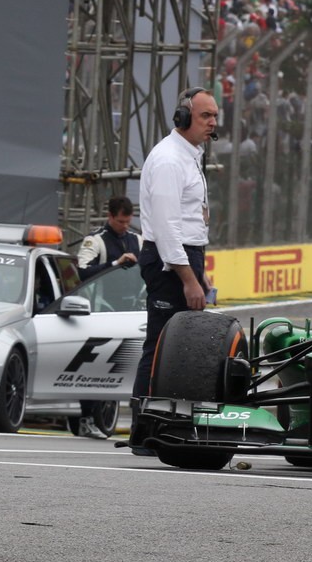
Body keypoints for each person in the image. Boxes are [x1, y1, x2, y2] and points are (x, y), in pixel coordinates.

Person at [132, 88, 219, 424]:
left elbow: (190, 220)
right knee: (161, 345)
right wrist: (188, 279)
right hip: (169, 263)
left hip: (185, 259)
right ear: (182, 117)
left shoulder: (190, 154)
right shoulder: (169, 159)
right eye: (205, 116)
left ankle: (169, 423)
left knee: (181, 348)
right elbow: (168, 228)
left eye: (214, 116)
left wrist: (200, 273)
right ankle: (144, 425)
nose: (212, 123)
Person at [73, 195, 140, 440]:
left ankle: (137, 422)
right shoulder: (95, 240)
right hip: (102, 312)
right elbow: (82, 272)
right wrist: (116, 263)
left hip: (133, 314)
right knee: (96, 366)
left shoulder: (137, 240)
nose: (124, 226)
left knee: (133, 367)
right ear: (110, 217)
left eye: (128, 221)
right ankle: (86, 419)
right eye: (120, 221)